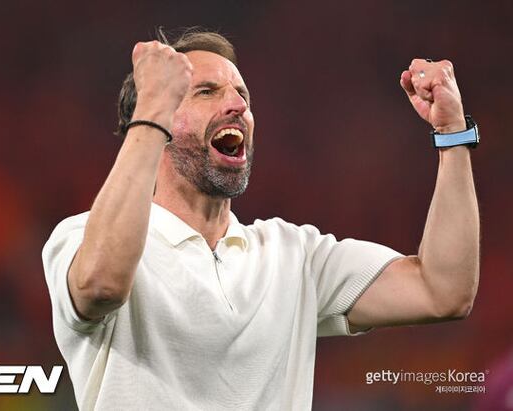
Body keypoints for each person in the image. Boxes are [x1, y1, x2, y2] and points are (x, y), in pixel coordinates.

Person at [42, 28, 480, 410]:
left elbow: (443, 292)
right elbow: (101, 285)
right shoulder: (80, 237)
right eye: (206, 91)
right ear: (154, 116)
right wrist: (151, 108)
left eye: (243, 95)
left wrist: (453, 135)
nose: (237, 105)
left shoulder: (294, 256)